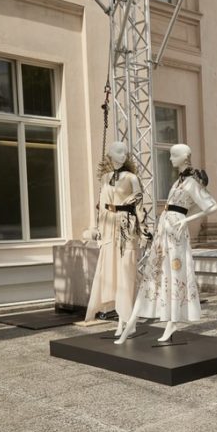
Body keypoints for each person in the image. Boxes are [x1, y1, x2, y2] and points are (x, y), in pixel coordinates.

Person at [114, 144, 217, 344]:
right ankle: (154, 322)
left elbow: (212, 206)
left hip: (176, 236)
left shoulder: (189, 183)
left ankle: (171, 321)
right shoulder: (179, 182)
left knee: (174, 274)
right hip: (165, 232)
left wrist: (184, 219)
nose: (170, 159)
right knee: (153, 275)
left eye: (173, 156)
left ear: (184, 157)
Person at [84, 141, 142, 336]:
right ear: (110, 154)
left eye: (125, 151)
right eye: (119, 151)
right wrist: (99, 232)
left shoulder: (132, 178)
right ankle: (120, 319)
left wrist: (144, 231)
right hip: (109, 229)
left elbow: (139, 206)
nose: (123, 154)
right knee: (112, 274)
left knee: (126, 273)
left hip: (126, 227)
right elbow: (102, 205)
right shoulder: (106, 178)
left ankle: (128, 320)